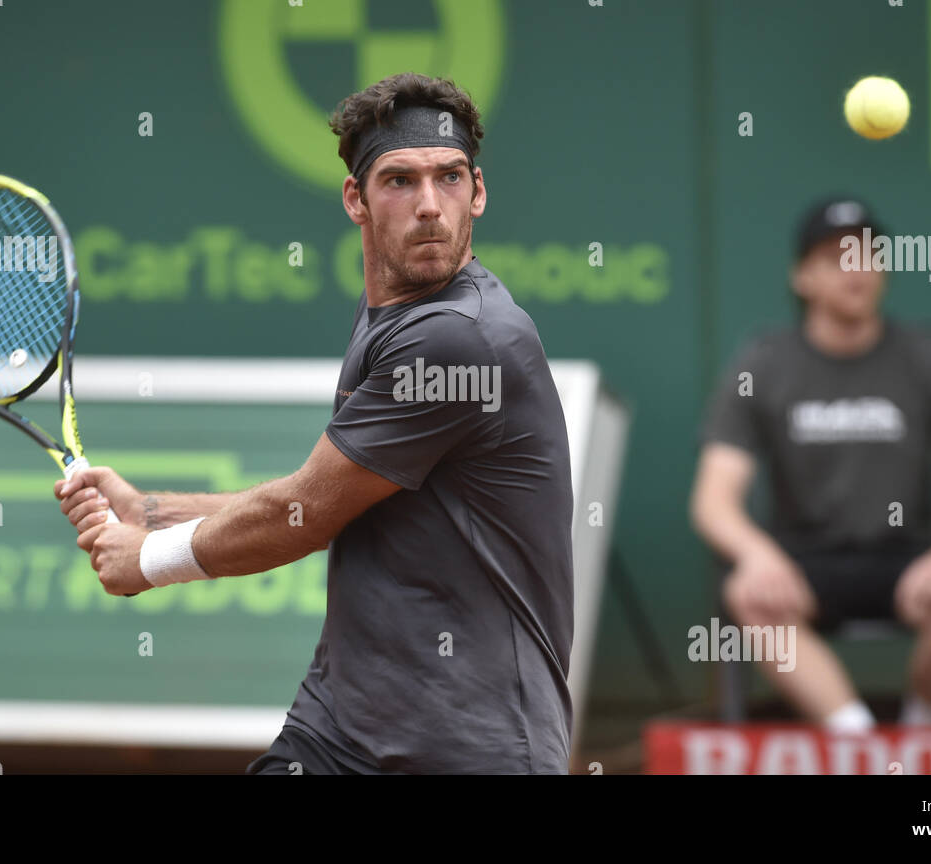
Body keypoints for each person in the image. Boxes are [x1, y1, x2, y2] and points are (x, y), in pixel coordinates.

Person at [54, 72, 575, 773]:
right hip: (342, 729)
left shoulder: (462, 337)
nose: (430, 207)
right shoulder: (394, 314)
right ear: (356, 200)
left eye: (448, 178)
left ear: (477, 191)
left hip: (470, 744)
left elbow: (304, 511)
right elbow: (330, 494)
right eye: (399, 181)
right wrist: (150, 512)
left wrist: (147, 560)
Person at [689, 198, 931, 732]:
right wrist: (758, 555)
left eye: (868, 255)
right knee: (747, 591)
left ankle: (919, 740)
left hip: (910, 559)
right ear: (802, 277)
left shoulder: (929, 356)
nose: (856, 268)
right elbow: (712, 500)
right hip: (803, 563)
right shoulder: (763, 363)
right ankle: (856, 743)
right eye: (837, 257)